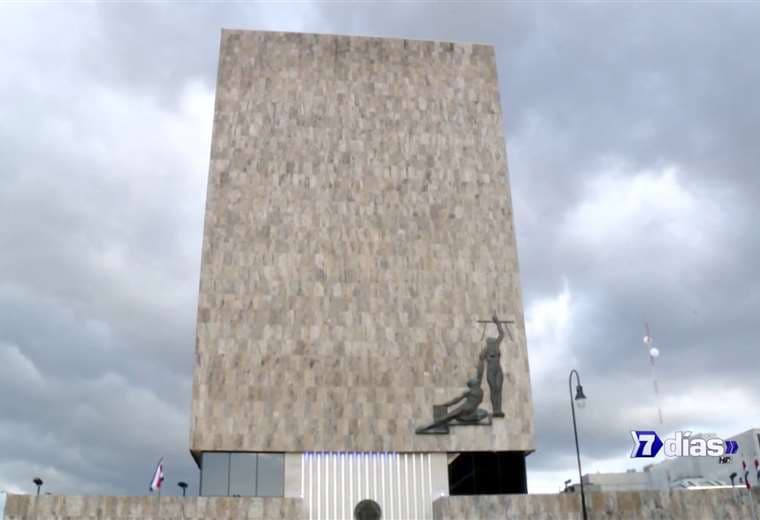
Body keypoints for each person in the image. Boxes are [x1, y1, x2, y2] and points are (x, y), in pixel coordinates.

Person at [480, 314, 505, 417]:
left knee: (499, 388)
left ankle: (499, 409)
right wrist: (485, 355)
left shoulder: (496, 344)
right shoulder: (486, 348)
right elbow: (481, 357)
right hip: (490, 371)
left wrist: (497, 322)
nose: (491, 342)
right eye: (490, 341)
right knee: (494, 389)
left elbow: (502, 334)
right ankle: (496, 410)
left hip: (498, 369)